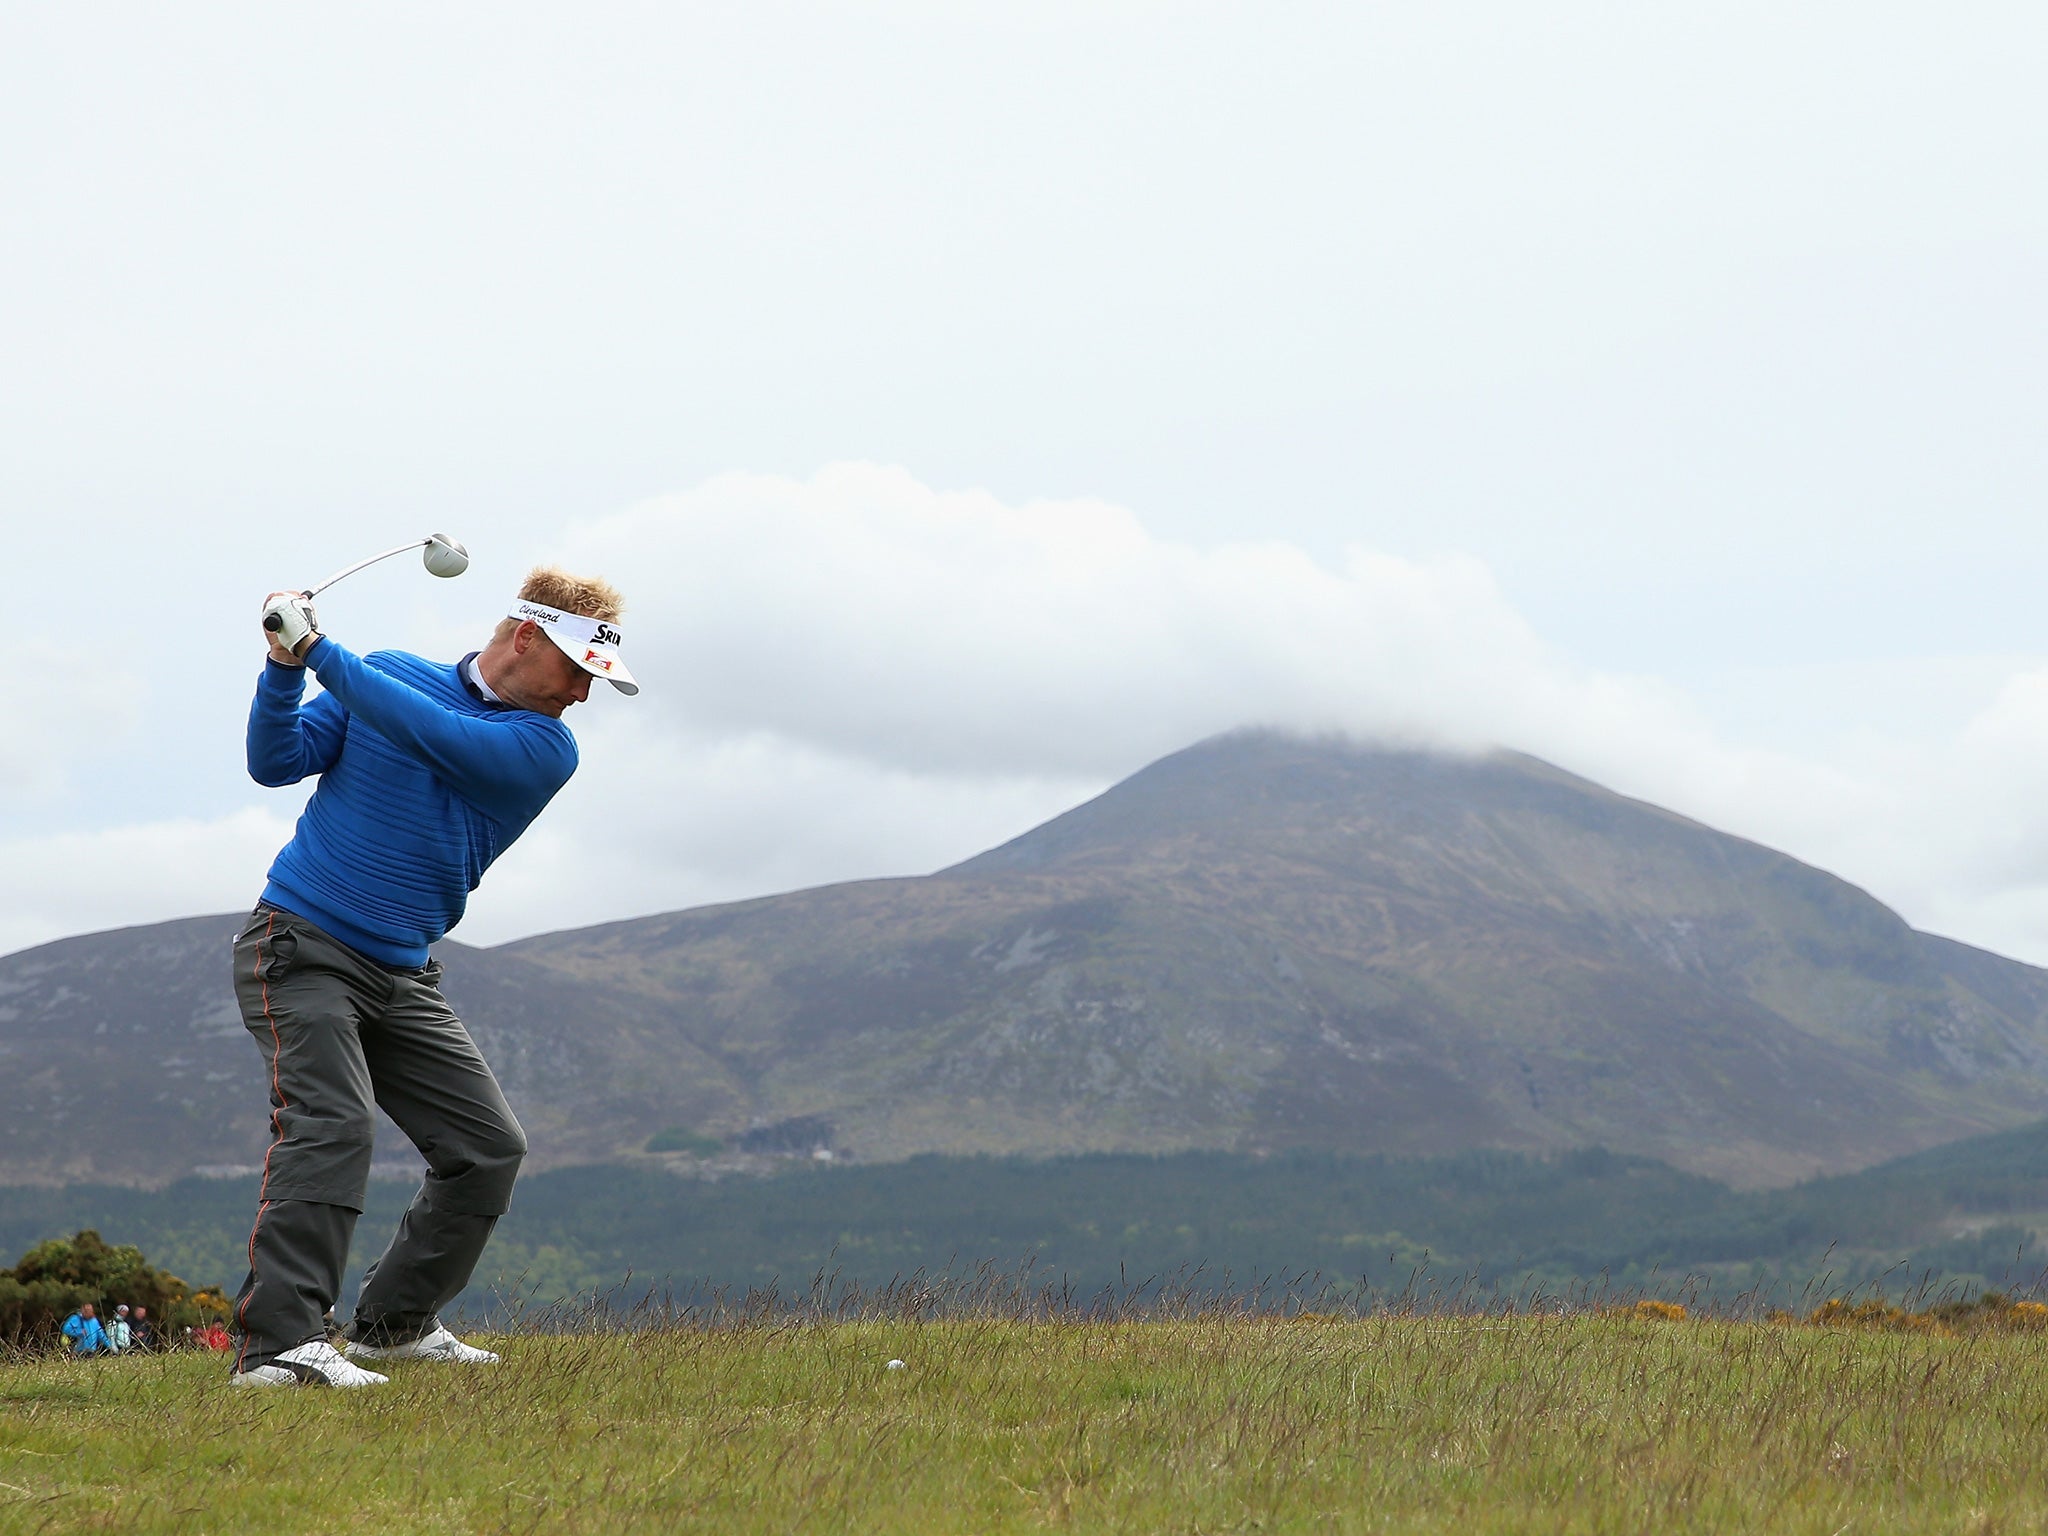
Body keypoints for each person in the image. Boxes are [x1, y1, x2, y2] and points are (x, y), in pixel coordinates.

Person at [228, 566, 638, 1388]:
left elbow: (433, 737)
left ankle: (392, 1326)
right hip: (301, 944)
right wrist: (282, 665)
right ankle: (276, 1349)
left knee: (488, 1150)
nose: (585, 697)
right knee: (332, 1125)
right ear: (528, 638)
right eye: (579, 673)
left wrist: (320, 651)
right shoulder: (387, 675)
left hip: (404, 972)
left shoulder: (543, 748)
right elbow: (275, 763)